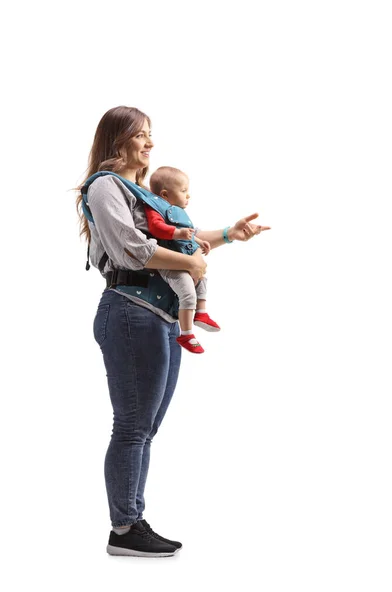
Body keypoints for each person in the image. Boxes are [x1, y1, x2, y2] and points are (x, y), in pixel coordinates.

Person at [75, 105, 270, 558]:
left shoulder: (143, 194)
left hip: (158, 318)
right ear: (119, 138)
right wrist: (190, 262)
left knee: (145, 427)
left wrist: (227, 234)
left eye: (150, 135)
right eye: (142, 135)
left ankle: (131, 521)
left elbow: (182, 239)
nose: (150, 143)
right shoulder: (105, 186)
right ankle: (124, 529)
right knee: (131, 426)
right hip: (130, 311)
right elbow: (130, 250)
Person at [146, 165, 220, 354]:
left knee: (202, 279)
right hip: (171, 262)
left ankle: (201, 313)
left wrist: (199, 240)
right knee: (188, 294)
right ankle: (186, 333)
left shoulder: (177, 211)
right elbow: (156, 228)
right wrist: (179, 233)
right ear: (165, 194)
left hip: (185, 257)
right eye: (184, 191)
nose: (188, 196)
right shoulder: (154, 207)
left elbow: (188, 233)